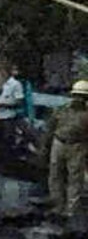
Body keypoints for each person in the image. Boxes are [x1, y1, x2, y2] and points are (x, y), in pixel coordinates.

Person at [46, 81, 88, 218]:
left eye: (82, 96)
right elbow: (51, 127)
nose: (79, 99)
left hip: (78, 146)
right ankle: (57, 206)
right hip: (58, 142)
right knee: (55, 175)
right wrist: (45, 147)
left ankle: (71, 211)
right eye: (77, 95)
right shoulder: (62, 109)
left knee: (75, 178)